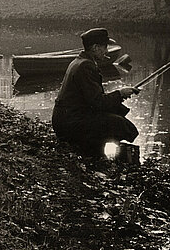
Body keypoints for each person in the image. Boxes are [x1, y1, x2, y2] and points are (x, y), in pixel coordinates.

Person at [52, 28, 140, 158]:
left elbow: (93, 99)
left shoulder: (80, 61)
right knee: (118, 123)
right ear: (95, 47)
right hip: (69, 124)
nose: (106, 51)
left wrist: (120, 95)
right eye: (104, 47)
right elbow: (98, 103)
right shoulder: (86, 66)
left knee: (114, 118)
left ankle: (97, 151)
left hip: (66, 119)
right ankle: (95, 153)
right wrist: (120, 94)